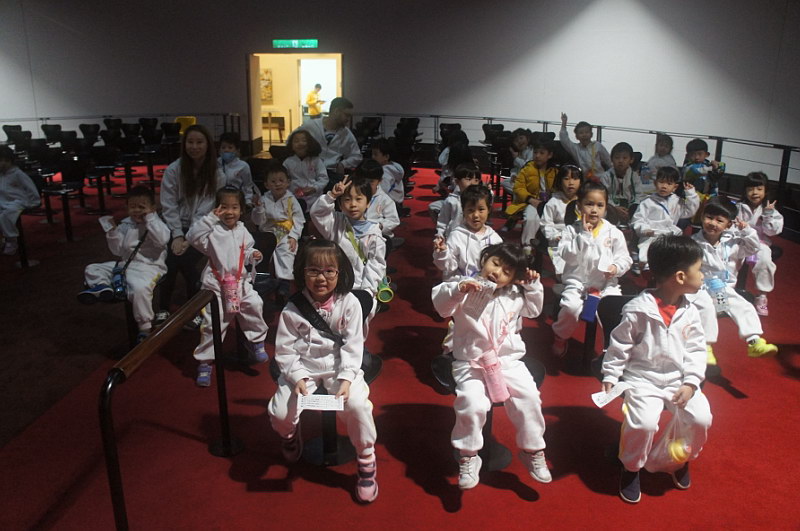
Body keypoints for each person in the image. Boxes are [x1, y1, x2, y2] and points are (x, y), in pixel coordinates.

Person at [602, 234, 713, 504]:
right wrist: (611, 374)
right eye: (699, 269)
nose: (702, 275)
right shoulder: (637, 310)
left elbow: (696, 350)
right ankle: (631, 467)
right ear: (680, 277)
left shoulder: (691, 311)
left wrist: (691, 382)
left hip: (678, 379)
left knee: (701, 419)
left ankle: (679, 457)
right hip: (642, 379)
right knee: (643, 424)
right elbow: (619, 345)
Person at [431, 243, 551, 489]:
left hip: (507, 361)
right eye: (495, 263)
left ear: (513, 279)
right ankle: (468, 455)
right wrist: (458, 290)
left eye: (507, 272)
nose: (497, 272)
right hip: (471, 362)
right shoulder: (464, 286)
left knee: (529, 397)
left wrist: (533, 286)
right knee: (472, 403)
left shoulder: (514, 295)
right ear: (485, 259)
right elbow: (441, 307)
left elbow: (534, 310)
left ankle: (532, 450)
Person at [267, 239, 379, 503]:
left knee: (359, 407)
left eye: (329, 271)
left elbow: (354, 345)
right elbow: (284, 350)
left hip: (340, 366)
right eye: (313, 271)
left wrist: (347, 378)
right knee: (280, 412)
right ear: (302, 272)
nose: (321, 278)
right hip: (303, 367)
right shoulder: (293, 307)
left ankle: (366, 460)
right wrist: (297, 377)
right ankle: (290, 436)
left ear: (340, 273)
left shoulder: (349, 303)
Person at [186, 186, 269, 386]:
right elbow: (192, 237)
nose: (229, 212)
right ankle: (205, 362)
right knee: (212, 325)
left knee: (255, 304)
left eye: (234, 207)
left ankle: (256, 341)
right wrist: (210, 219)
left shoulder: (242, 229)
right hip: (216, 285)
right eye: (224, 207)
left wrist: (253, 255)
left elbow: (247, 251)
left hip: (240, 282)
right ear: (216, 209)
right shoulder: (212, 231)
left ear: (241, 210)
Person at [689, 198, 778, 364]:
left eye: (719, 221)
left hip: (722, 290)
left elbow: (754, 248)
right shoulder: (694, 242)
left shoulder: (733, 243)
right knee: (706, 308)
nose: (712, 223)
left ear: (729, 224)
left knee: (743, 306)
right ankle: (706, 347)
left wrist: (747, 231)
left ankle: (754, 341)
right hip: (699, 288)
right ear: (702, 217)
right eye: (709, 217)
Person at [77, 186, 170, 342]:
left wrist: (150, 219)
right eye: (133, 207)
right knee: (92, 268)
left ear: (153, 208)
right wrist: (112, 231)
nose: (137, 210)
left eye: (142, 207)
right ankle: (102, 286)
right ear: (127, 207)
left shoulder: (157, 224)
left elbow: (162, 240)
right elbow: (117, 250)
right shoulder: (126, 224)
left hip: (149, 268)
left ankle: (145, 327)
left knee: (140, 289)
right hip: (126, 265)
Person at [552, 182, 632, 357]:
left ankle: (612, 347)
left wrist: (616, 267)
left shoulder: (613, 233)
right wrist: (583, 236)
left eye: (600, 205)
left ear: (605, 207)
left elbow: (625, 258)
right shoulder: (571, 231)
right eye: (589, 204)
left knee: (617, 309)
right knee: (570, 308)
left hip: (605, 284)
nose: (594, 210)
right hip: (577, 283)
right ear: (579, 206)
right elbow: (566, 255)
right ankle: (561, 335)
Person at [158, 124, 225, 328]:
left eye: (199, 142)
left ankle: (193, 309)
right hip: (174, 225)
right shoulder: (174, 170)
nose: (194, 146)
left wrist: (188, 238)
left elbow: (206, 209)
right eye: (190, 142)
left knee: (184, 260)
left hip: (203, 226)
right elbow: (168, 205)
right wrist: (177, 234)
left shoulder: (216, 173)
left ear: (208, 145)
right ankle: (164, 308)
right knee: (170, 259)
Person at [311, 175, 386, 306]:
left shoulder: (374, 233)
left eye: (358, 199)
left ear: (368, 203)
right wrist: (331, 196)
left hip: (361, 287)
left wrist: (367, 292)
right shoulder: (335, 223)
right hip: (334, 287)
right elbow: (317, 213)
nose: (353, 204)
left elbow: (376, 265)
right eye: (347, 199)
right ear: (340, 204)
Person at [251, 162, 305, 305]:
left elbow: (299, 220)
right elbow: (258, 221)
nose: (278, 184)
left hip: (285, 233)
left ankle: (284, 283)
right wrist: (258, 208)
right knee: (257, 253)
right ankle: (260, 282)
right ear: (266, 184)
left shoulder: (291, 199)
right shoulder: (264, 199)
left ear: (288, 182)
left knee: (287, 250)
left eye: (281, 180)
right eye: (273, 181)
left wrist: (294, 236)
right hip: (267, 233)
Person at [631, 166, 700, 269]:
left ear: (675, 187)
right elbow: (637, 220)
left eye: (669, 183)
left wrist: (691, 194)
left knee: (676, 258)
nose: (664, 186)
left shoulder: (677, 202)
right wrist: (644, 229)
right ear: (655, 183)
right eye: (661, 182)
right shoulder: (647, 202)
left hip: (670, 236)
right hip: (651, 235)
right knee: (647, 256)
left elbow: (690, 211)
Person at [735, 171, 783, 316]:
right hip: (740, 241)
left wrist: (768, 215)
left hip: (760, 243)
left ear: (765, 191)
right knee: (727, 258)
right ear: (745, 191)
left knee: (765, 262)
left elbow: (772, 232)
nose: (754, 192)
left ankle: (762, 295)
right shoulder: (738, 207)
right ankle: (726, 291)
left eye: (759, 189)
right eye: (750, 189)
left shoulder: (771, 211)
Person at [433, 184, 502, 281]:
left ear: (489, 210)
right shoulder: (456, 235)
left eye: (481, 209)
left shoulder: (495, 238)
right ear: (463, 211)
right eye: (470, 210)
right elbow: (447, 266)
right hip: (460, 284)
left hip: (485, 286)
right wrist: (442, 253)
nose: (476, 215)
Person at [504, 142, 557, 253]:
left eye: (542, 153)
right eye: (535, 152)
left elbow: (559, 189)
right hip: (531, 201)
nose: (537, 156)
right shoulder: (527, 169)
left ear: (550, 155)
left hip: (551, 203)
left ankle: (553, 247)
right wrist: (530, 199)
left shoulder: (554, 171)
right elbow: (518, 188)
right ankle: (527, 247)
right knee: (532, 218)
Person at [296, 97, 362, 186]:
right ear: (336, 111)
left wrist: (343, 164)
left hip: (331, 175)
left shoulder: (346, 134)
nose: (348, 119)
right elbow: (292, 141)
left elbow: (357, 156)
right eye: (346, 115)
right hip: (308, 173)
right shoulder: (311, 126)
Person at [541, 165, 583, 275]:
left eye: (575, 179)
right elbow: (546, 224)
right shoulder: (554, 202)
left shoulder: (583, 202)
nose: (571, 183)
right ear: (560, 181)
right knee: (563, 270)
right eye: (566, 178)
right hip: (559, 240)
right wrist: (554, 236)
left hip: (579, 238)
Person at [0, 146, 40, 255]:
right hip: (3, 200)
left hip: (18, 201)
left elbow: (30, 188)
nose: (3, 164)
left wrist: (34, 202)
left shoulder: (17, 173)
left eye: (6, 161)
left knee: (6, 215)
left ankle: (11, 239)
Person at [600, 141, 649, 222]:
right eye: (617, 158)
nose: (620, 161)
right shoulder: (606, 176)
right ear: (611, 159)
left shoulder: (634, 176)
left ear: (631, 160)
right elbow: (603, 195)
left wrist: (631, 208)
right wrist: (615, 207)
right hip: (612, 207)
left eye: (625, 158)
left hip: (630, 207)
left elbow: (639, 194)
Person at [283, 129, 328, 211]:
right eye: (296, 141)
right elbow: (284, 180)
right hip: (294, 196)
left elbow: (324, 178)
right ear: (291, 145)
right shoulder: (288, 162)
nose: (300, 143)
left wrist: (314, 188)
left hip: (314, 197)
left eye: (304, 140)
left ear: (310, 143)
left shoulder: (316, 160)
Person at [558, 112, 611, 182]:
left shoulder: (597, 145)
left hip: (601, 179)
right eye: (581, 133)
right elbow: (564, 140)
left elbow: (608, 161)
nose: (584, 135)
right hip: (585, 181)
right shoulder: (576, 149)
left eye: (587, 132)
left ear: (591, 134)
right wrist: (564, 124)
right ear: (576, 136)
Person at [435, 163, 481, 239]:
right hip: (454, 238)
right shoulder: (451, 201)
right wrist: (440, 236)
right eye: (468, 179)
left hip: (474, 237)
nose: (472, 183)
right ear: (457, 181)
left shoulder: (480, 200)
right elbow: (443, 222)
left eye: (476, 180)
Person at [362, 159, 400, 242]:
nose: (367, 184)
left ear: (379, 181)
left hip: (379, 235)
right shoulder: (355, 196)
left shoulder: (385, 199)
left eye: (371, 181)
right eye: (364, 180)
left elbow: (393, 220)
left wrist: (380, 226)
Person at [217, 131, 255, 208]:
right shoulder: (216, 163)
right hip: (219, 201)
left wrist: (248, 202)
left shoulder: (243, 166)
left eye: (230, 147)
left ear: (237, 150)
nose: (226, 150)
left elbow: (247, 186)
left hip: (237, 201)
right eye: (223, 147)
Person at [371, 137, 405, 210]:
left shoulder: (385, 172)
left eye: (375, 154)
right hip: (396, 203)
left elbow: (382, 192)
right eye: (372, 154)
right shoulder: (394, 167)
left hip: (390, 206)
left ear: (386, 157)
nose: (372, 157)